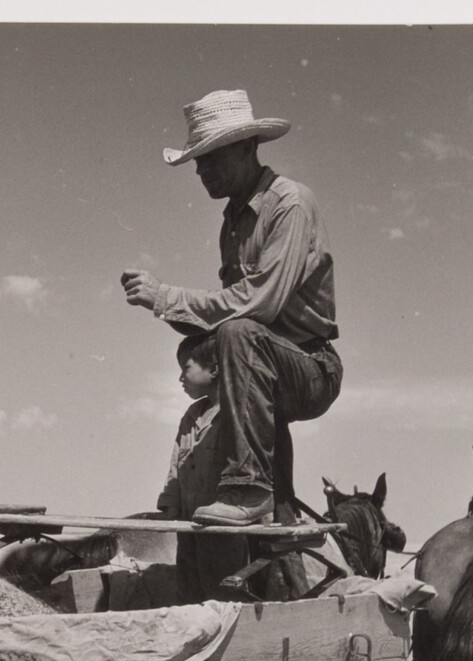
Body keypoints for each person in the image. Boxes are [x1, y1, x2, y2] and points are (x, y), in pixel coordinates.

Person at [121, 89, 342, 526]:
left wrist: (166, 298)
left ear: (247, 148)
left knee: (238, 334)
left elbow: (257, 305)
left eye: (211, 158)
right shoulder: (234, 222)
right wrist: (167, 310)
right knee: (234, 343)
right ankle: (271, 509)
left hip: (312, 367)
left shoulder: (290, 204)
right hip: (268, 364)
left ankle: (247, 492)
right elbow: (234, 317)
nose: (201, 170)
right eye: (197, 161)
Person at [156, 333, 250, 601]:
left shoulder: (235, 414)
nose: (180, 378)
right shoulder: (191, 415)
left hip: (224, 530)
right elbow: (176, 465)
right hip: (189, 526)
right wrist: (169, 505)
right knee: (188, 588)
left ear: (214, 369)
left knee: (222, 593)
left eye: (186, 367)